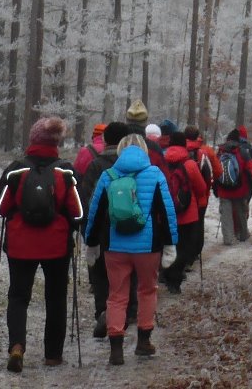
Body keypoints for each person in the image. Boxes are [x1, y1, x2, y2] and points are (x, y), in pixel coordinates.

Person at [0, 116, 83, 373]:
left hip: (21, 245)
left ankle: (17, 347)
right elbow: (78, 213)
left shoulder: (16, 169)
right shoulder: (65, 170)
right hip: (56, 246)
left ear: (32, 140)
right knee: (55, 297)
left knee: (19, 296)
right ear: (57, 141)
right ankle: (53, 354)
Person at [84, 133, 177, 366]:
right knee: (147, 291)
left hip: (115, 245)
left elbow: (95, 212)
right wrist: (170, 242)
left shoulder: (108, 175)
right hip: (148, 246)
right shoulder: (155, 174)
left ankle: (116, 349)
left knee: (116, 296)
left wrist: (91, 241)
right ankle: (143, 342)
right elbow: (167, 211)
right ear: (144, 150)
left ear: (120, 150)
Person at [79, 121, 130, 339]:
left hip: (100, 229)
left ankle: (102, 311)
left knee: (100, 274)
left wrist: (87, 230)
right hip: (127, 229)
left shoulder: (95, 164)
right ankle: (122, 315)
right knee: (124, 275)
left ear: (106, 140)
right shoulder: (130, 165)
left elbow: (85, 197)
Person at [161, 131, 209, 293]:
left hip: (167, 212)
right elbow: (201, 188)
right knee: (184, 248)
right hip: (188, 213)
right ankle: (174, 279)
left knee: (168, 244)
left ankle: (166, 273)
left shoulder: (162, 162)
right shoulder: (189, 164)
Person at [214, 128, 252, 246]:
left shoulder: (220, 152)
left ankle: (228, 238)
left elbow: (215, 170)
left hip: (223, 189)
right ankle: (243, 235)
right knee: (240, 212)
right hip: (240, 189)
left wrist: (215, 187)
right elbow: (250, 169)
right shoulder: (242, 152)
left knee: (226, 214)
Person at [184, 124, 220, 265]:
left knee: (184, 226)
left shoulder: (176, 151)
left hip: (181, 196)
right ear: (198, 136)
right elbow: (216, 171)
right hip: (201, 196)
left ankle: (183, 256)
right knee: (198, 225)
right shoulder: (205, 151)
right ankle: (194, 254)